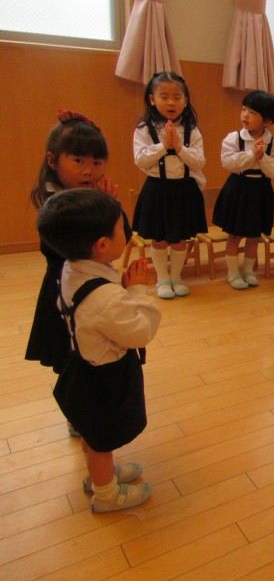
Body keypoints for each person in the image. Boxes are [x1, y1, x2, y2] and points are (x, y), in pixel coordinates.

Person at [38, 188, 161, 513]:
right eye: (122, 228)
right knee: (101, 440)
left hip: (81, 368)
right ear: (103, 245)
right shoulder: (106, 298)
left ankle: (99, 476)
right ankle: (106, 494)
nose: (127, 232)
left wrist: (122, 291)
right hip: (104, 377)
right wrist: (138, 291)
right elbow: (140, 332)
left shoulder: (71, 266)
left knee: (92, 433)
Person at [26, 110, 131, 437]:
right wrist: (106, 208)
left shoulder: (86, 198)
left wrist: (111, 208)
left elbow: (120, 240)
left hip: (88, 287)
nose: (90, 170)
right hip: (68, 290)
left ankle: (82, 414)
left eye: (97, 162)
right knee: (73, 355)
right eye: (79, 160)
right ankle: (79, 416)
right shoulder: (59, 205)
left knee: (89, 354)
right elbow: (100, 248)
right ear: (53, 161)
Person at [132, 71, 207, 299]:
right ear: (152, 99)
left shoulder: (192, 129)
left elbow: (199, 161)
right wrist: (164, 146)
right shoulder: (144, 129)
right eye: (164, 96)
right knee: (160, 238)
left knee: (180, 238)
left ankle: (176, 277)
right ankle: (162, 279)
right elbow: (140, 160)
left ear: (185, 101)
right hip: (157, 190)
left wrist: (179, 147)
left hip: (184, 190)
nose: (171, 102)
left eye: (177, 97)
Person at [214, 91, 274, 289]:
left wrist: (262, 157)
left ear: (267, 120)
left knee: (255, 235)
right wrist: (251, 154)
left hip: (261, 190)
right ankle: (232, 273)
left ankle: (248, 271)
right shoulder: (234, 138)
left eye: (252, 112)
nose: (245, 115)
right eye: (244, 109)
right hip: (238, 188)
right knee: (234, 235)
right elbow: (228, 163)